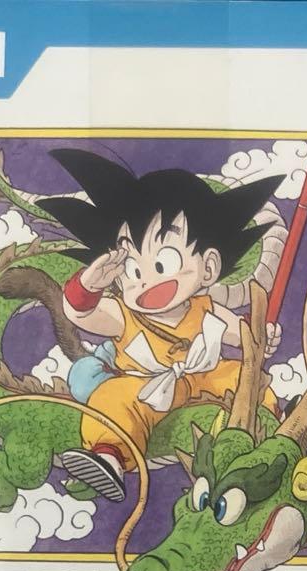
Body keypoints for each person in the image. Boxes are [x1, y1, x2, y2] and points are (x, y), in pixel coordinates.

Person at [40, 150, 282, 501]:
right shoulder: (123, 314)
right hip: (143, 387)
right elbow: (80, 313)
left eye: (163, 264)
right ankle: (108, 457)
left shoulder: (206, 309)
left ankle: (273, 425)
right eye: (132, 270)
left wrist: (262, 339)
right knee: (112, 397)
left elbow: (244, 336)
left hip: (203, 378)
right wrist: (88, 285)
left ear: (208, 268)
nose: (145, 281)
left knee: (245, 376)